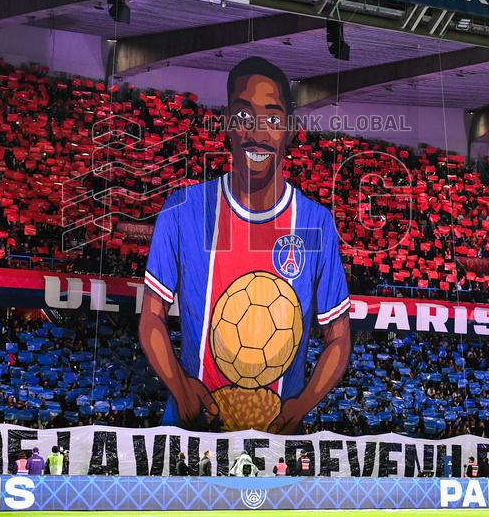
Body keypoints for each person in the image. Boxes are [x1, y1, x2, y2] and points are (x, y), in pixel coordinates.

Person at [140, 56, 351, 434]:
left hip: (278, 437)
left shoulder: (314, 222)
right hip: (193, 428)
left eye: (272, 118)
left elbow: (338, 335)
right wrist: (181, 389)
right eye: (243, 116)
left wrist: (301, 405)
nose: (257, 132)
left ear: (290, 130)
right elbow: (151, 316)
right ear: (227, 122)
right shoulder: (184, 210)